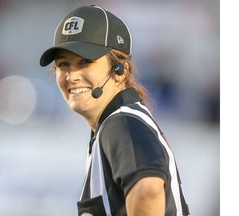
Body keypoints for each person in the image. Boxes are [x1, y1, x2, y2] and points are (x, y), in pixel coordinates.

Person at [39, 5, 190, 216]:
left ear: (121, 70)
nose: (71, 76)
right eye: (63, 64)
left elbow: (148, 190)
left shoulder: (121, 123)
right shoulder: (115, 123)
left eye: (85, 62)